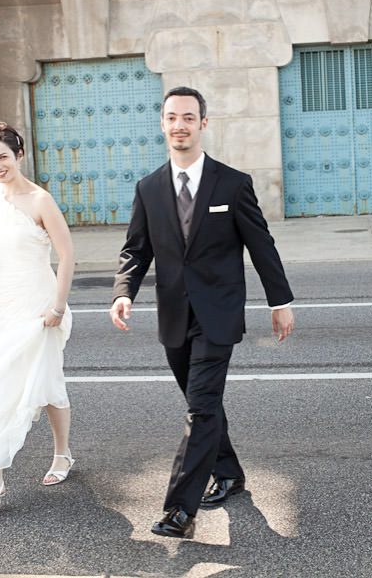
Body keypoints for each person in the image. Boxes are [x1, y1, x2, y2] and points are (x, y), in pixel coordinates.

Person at [110, 86, 295, 539]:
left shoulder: (232, 183)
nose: (180, 125)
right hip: (174, 316)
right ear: (162, 124)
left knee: (200, 408)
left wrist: (280, 301)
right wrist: (123, 292)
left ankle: (180, 510)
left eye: (189, 117)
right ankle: (229, 473)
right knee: (204, 406)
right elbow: (136, 249)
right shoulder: (149, 188)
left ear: (203, 124)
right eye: (172, 117)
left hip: (219, 313)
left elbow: (261, 244)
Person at [0, 121, 76, 509]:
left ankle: (62, 454)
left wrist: (57, 306)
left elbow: (67, 255)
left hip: (37, 301)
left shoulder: (41, 201)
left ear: (19, 155)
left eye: (3, 157)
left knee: (46, 381)